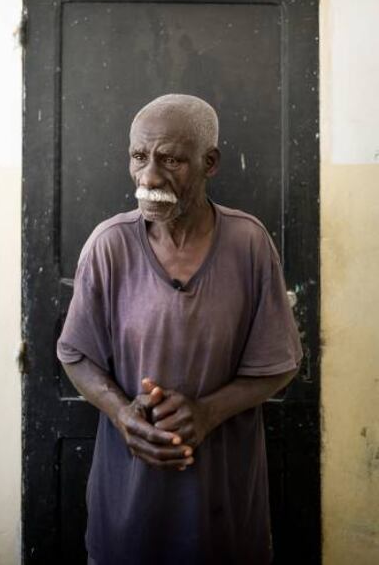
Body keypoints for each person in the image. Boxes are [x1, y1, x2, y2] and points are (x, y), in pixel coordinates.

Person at [57, 94, 302, 565]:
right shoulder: (109, 246)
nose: (149, 177)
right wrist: (121, 412)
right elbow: (76, 355)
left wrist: (207, 413)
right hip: (128, 500)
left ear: (210, 163)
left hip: (224, 504)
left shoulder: (249, 243)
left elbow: (280, 365)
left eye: (170, 160)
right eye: (138, 157)